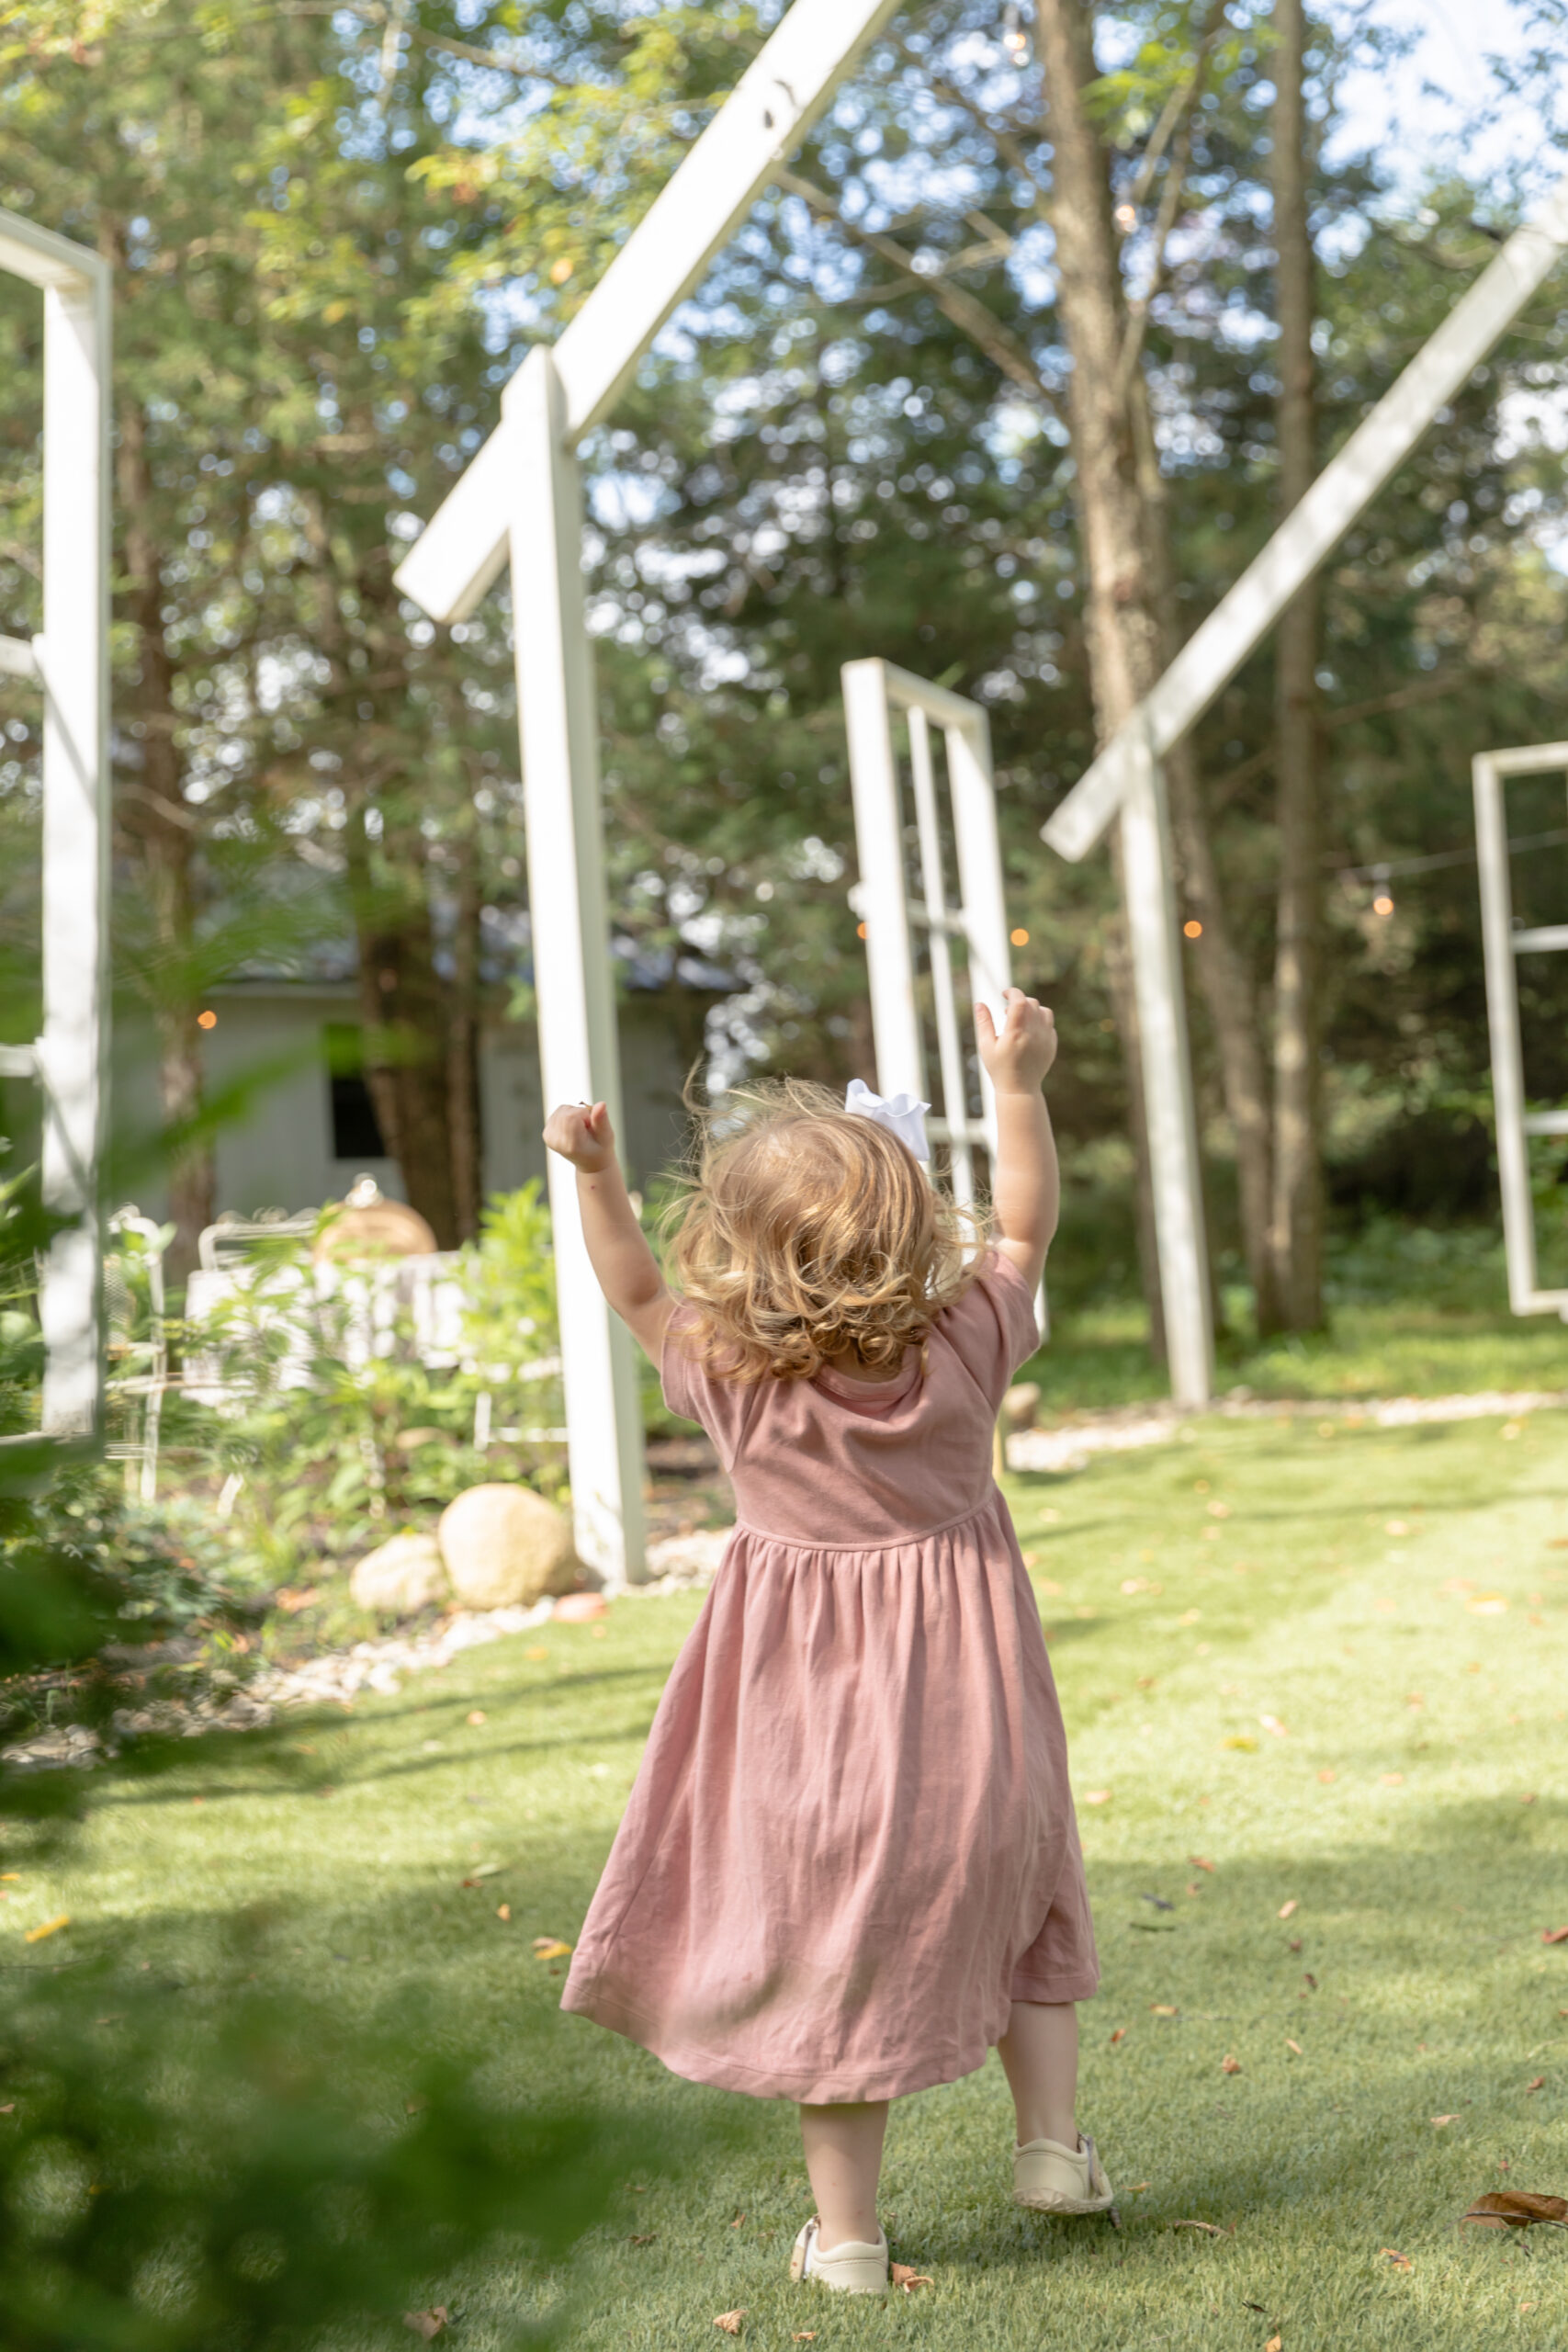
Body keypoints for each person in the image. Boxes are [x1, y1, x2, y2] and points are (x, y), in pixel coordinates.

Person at [542, 989, 1110, 2297]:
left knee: (832, 1971)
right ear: (912, 1223)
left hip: (806, 1763)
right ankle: (1051, 2151)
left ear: (739, 1248)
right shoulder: (965, 1342)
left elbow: (631, 1286)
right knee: (1023, 1906)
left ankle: (847, 2243)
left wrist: (597, 1175)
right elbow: (1026, 1224)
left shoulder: (729, 1374)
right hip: (980, 1737)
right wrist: (1017, 1082)